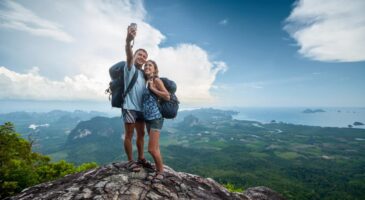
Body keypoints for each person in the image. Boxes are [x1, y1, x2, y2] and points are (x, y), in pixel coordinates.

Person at [123, 24, 153, 172]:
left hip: (141, 109)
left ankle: (141, 158)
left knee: (141, 135)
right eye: (139, 54)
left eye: (144, 56)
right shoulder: (130, 68)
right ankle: (130, 161)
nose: (142, 57)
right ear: (135, 56)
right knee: (129, 135)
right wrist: (128, 41)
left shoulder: (143, 74)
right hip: (129, 106)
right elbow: (128, 54)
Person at [142, 60, 170, 182]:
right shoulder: (145, 81)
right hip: (148, 118)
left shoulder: (156, 80)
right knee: (156, 147)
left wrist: (153, 89)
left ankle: (161, 172)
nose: (147, 66)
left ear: (154, 69)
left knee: (151, 149)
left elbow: (167, 96)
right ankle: (159, 169)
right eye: (146, 65)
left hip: (156, 118)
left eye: (150, 65)